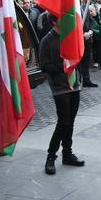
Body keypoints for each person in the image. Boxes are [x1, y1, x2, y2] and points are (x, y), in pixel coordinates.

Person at [39, 14, 85, 175]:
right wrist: (64, 66)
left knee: (70, 121)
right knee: (63, 122)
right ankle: (51, 156)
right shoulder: (47, 40)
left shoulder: (69, 37)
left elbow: (79, 56)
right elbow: (44, 65)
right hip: (60, 87)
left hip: (74, 85)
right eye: (61, 18)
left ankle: (67, 153)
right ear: (54, 21)